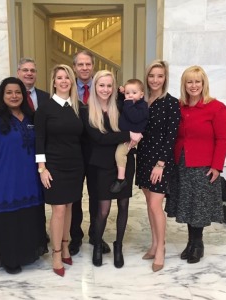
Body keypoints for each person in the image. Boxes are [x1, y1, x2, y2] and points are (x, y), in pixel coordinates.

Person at [0, 77, 47, 275]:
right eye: (9, 92)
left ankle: (29, 253)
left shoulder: (31, 117)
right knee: (8, 219)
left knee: (28, 216)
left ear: (24, 95)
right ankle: (9, 258)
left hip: (29, 179)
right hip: (3, 179)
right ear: (2, 95)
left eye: (18, 92)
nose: (14, 96)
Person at [165, 65, 226, 264]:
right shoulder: (179, 107)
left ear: (204, 84)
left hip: (203, 165)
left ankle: (198, 244)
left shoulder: (216, 108)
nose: (193, 86)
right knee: (188, 204)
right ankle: (190, 242)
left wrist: (217, 166)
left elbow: (223, 138)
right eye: (189, 81)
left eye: (197, 81)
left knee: (199, 206)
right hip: (182, 164)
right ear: (184, 84)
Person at [81, 70, 142, 268]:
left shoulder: (121, 105)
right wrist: (127, 134)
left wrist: (125, 93)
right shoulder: (86, 110)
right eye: (101, 85)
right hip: (102, 166)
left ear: (114, 87)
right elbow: (99, 138)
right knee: (103, 210)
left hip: (124, 163)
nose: (105, 89)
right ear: (94, 86)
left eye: (109, 85)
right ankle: (97, 245)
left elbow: (139, 116)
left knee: (124, 206)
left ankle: (118, 246)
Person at [35, 64, 84, 277]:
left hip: (75, 165)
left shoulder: (77, 107)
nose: (64, 81)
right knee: (59, 210)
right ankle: (56, 253)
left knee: (70, 207)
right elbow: (39, 140)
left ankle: (65, 245)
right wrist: (42, 168)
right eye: (60, 78)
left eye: (67, 78)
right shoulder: (45, 108)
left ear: (72, 81)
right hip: (53, 166)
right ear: (53, 82)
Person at [135, 60, 181, 272]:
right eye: (152, 75)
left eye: (159, 76)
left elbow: (171, 137)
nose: (155, 80)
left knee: (155, 206)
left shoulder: (171, 102)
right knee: (149, 204)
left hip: (160, 162)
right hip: (143, 157)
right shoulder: (142, 101)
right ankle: (154, 244)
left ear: (165, 78)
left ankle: (161, 248)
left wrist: (161, 164)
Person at [69, 50, 111, 256]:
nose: (84, 68)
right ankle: (74, 236)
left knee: (97, 195)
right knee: (74, 196)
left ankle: (96, 234)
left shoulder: (103, 87)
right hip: (74, 151)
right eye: (80, 65)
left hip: (98, 151)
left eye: (88, 64)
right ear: (74, 67)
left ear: (92, 66)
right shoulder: (66, 89)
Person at [17, 57, 50, 243]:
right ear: (18, 73)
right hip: (21, 153)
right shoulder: (11, 96)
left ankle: (40, 232)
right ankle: (24, 232)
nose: (29, 73)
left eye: (32, 70)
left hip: (43, 152)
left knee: (40, 194)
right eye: (25, 70)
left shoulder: (45, 97)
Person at [110, 79, 148, 193]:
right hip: (124, 135)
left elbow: (134, 117)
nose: (130, 95)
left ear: (141, 94)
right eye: (127, 93)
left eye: (134, 92)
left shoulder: (142, 106)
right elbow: (120, 106)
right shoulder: (129, 104)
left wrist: (128, 102)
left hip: (131, 137)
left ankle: (121, 179)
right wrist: (121, 94)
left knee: (120, 154)